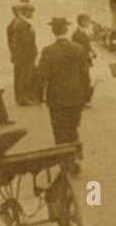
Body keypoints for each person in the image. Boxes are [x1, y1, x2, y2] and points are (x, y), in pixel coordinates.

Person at [36, 17, 92, 174]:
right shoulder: (78, 49)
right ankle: (74, 156)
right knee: (72, 127)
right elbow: (85, 75)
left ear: (53, 31)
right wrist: (86, 97)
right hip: (76, 98)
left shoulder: (48, 51)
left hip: (56, 99)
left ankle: (65, 161)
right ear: (66, 30)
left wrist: (39, 97)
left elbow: (42, 76)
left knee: (59, 130)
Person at [7, 3, 40, 105]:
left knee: (24, 76)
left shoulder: (21, 23)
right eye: (30, 12)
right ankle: (23, 98)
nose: (32, 14)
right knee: (24, 77)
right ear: (25, 12)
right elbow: (23, 41)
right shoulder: (21, 24)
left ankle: (26, 96)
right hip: (24, 56)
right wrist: (31, 33)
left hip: (23, 55)